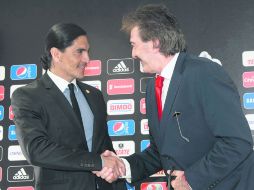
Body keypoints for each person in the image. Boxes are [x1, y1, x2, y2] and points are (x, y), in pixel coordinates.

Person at [96, 4, 254, 190]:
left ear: (155, 42)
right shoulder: (153, 88)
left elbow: (237, 142)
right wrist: (123, 166)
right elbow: (160, 152)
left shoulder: (204, 72)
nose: (133, 54)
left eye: (134, 45)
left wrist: (191, 179)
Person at [11, 23, 126, 190]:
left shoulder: (94, 95)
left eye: (88, 51)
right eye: (80, 52)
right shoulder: (28, 96)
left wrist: (113, 170)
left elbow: (105, 148)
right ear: (56, 54)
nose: (87, 59)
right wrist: (98, 162)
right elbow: (36, 150)